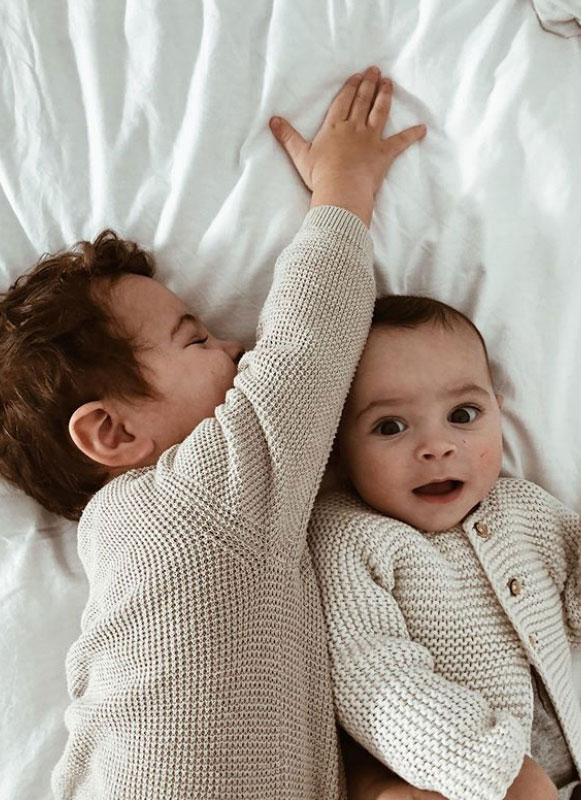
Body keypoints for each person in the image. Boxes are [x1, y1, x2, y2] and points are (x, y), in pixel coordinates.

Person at [0, 69, 429, 799]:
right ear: (110, 430)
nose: (236, 348)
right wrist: (343, 189)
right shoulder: (204, 491)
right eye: (194, 339)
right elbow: (306, 343)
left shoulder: (121, 547)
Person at [309, 295, 581, 800]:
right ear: (337, 447)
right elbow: (372, 677)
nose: (437, 446)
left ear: (497, 412)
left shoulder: (524, 508)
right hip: (464, 781)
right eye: (390, 427)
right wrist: (491, 767)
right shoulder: (348, 536)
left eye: (463, 414)